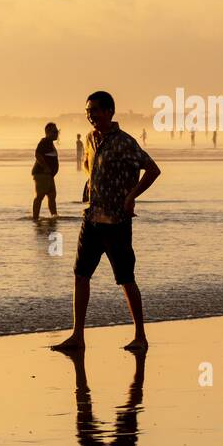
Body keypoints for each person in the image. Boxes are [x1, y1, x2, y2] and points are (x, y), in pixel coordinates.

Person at [52, 91, 161, 354]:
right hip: (91, 219)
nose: (91, 116)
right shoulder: (90, 139)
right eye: (88, 111)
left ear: (110, 112)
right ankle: (77, 336)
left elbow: (153, 169)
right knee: (80, 275)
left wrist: (131, 196)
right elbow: (92, 170)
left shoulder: (125, 142)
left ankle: (140, 336)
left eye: (96, 111)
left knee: (125, 278)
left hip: (117, 222)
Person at [32, 122, 61, 220]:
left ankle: (54, 216)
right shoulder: (44, 141)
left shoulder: (50, 143)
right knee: (40, 196)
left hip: (49, 175)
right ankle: (35, 218)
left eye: (57, 131)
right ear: (48, 132)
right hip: (42, 174)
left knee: (52, 195)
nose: (57, 133)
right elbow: (37, 154)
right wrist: (46, 167)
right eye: (54, 132)